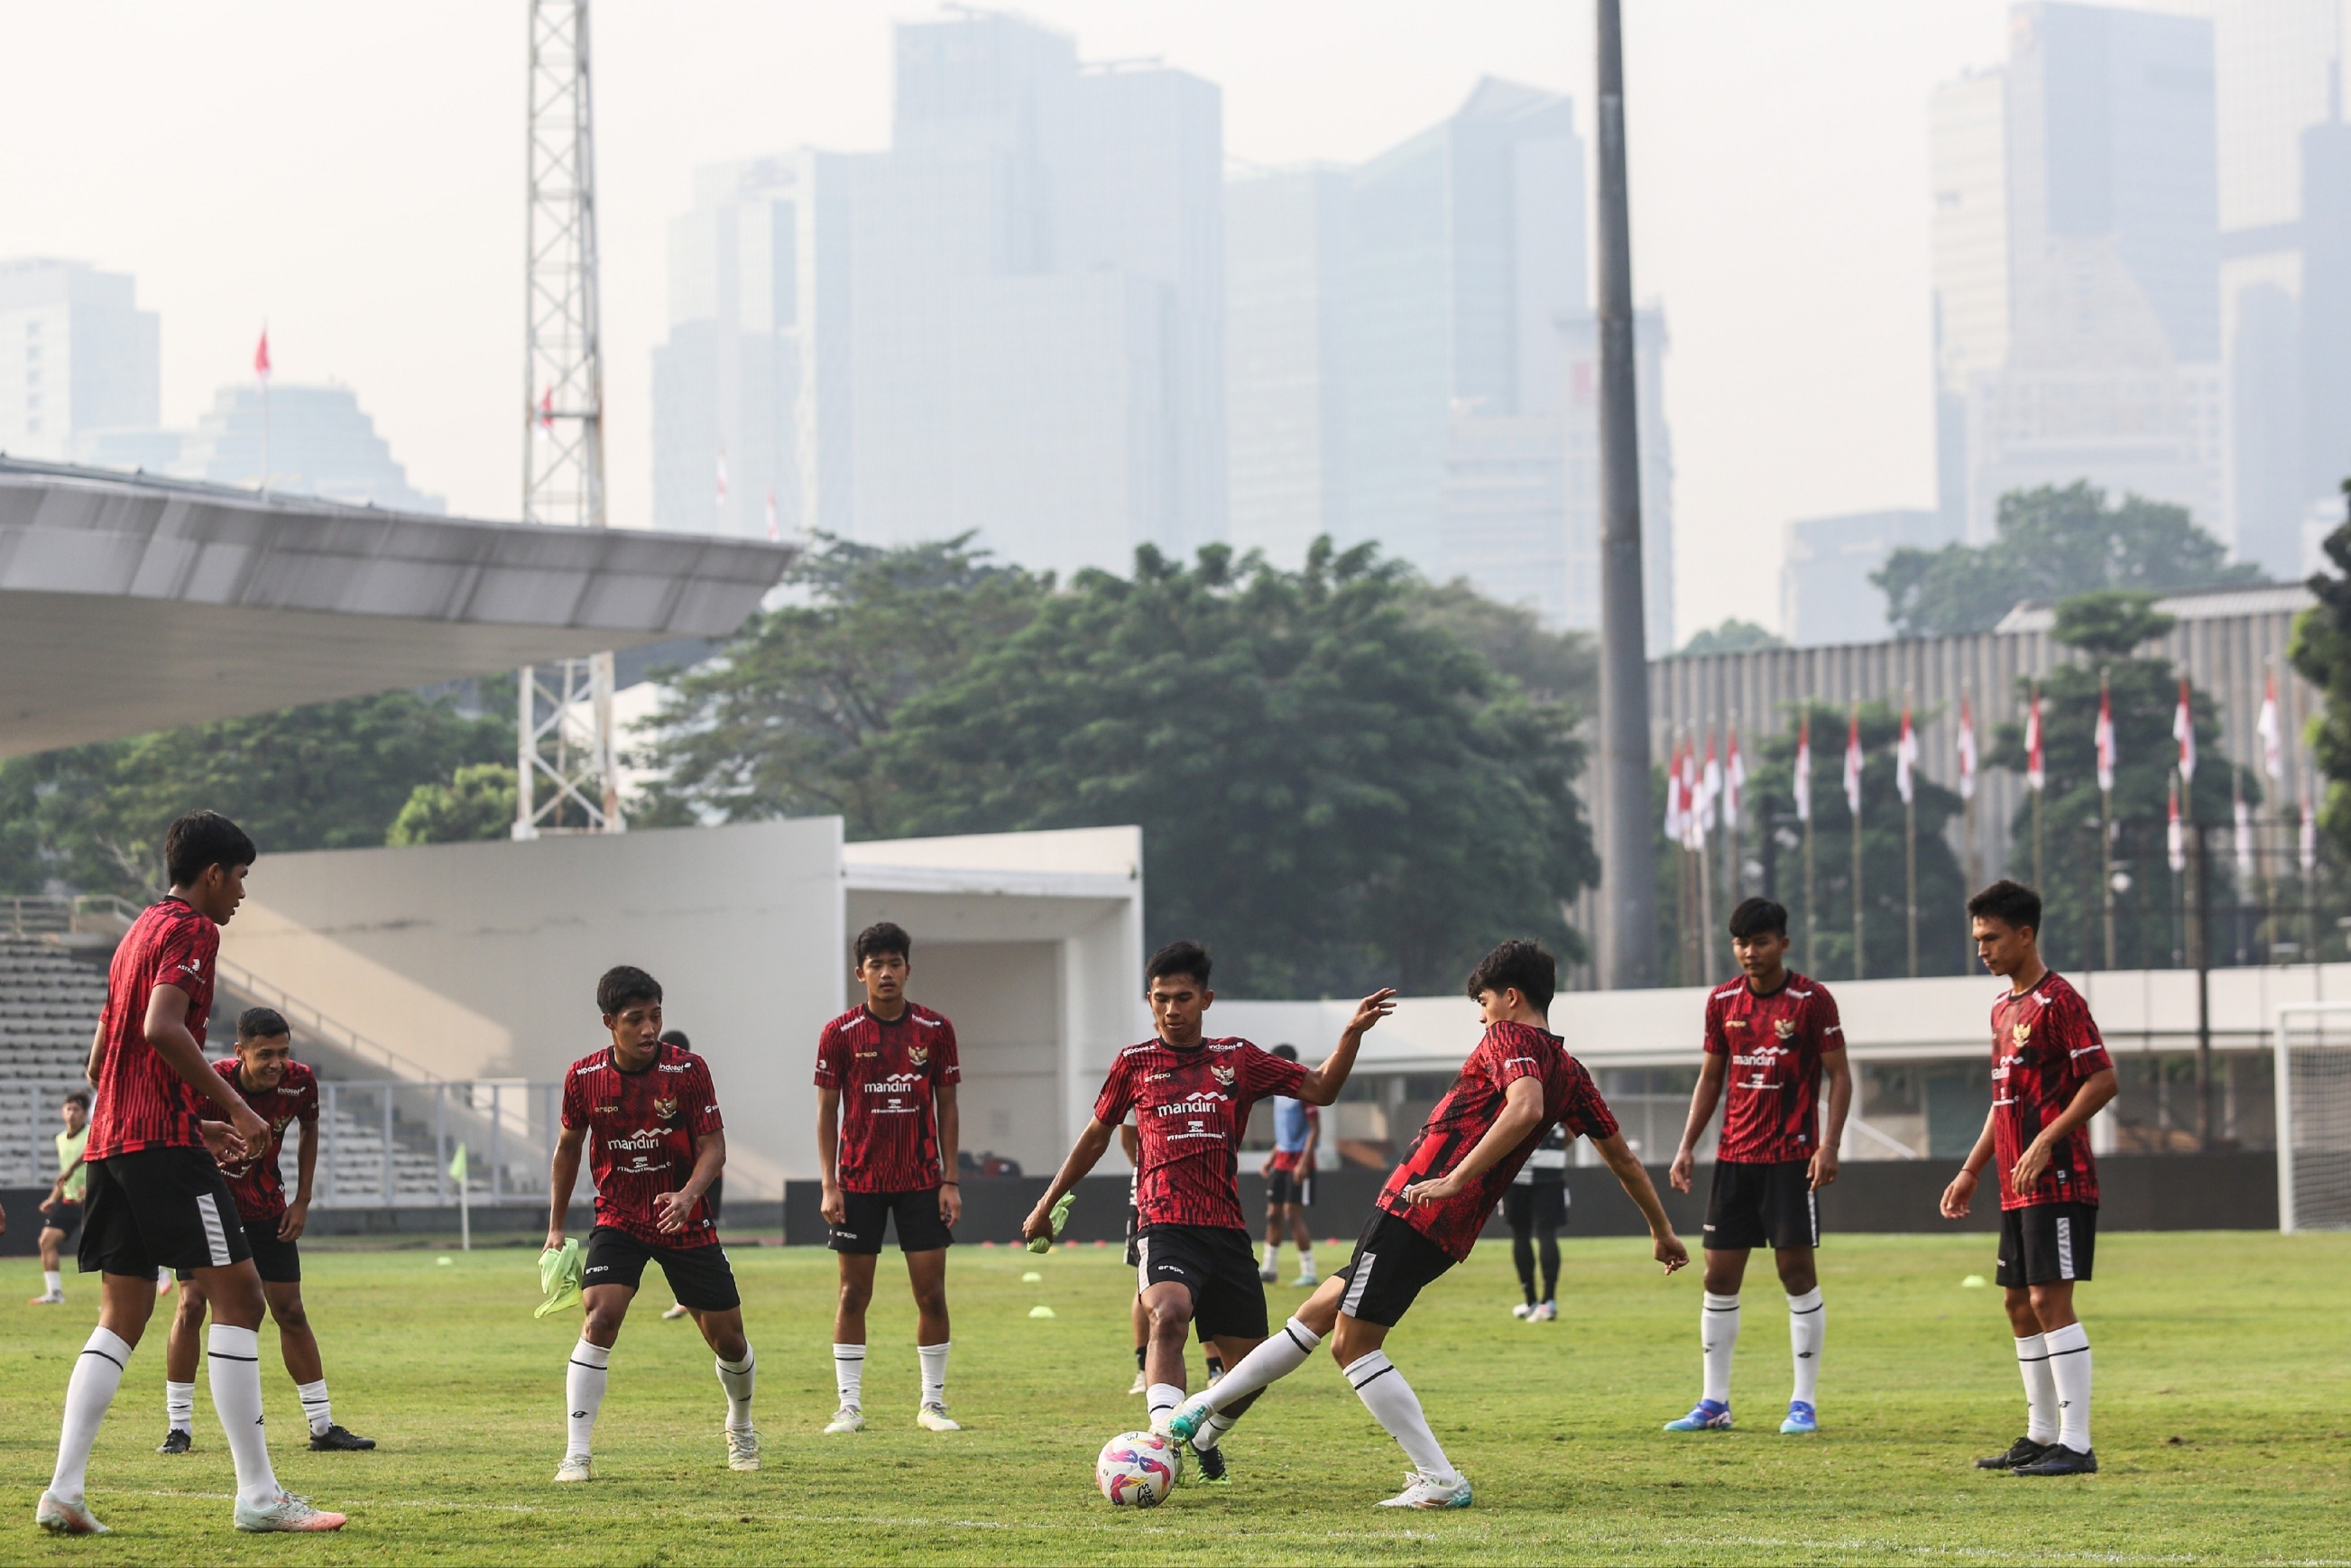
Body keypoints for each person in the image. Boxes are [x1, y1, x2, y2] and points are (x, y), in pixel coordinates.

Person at [1166, 939, 1689, 1509]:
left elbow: (1526, 1107)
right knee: (1316, 1313)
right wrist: (1661, 1229)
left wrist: (1453, 1178)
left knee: (1352, 1345)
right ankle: (1200, 1419)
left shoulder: (1509, 1038)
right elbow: (1624, 1158)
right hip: (1440, 1224)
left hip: (1417, 1208)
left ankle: (1439, 1477)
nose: (1482, 1017)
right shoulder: (1570, 1070)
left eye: (1484, 1003)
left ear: (1511, 998)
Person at [38, 810, 346, 1536]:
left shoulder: (135, 933)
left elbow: (101, 1062)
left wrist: (191, 1119)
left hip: (113, 1144)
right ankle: (259, 1496)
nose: (241, 893)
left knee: (121, 1315)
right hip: (158, 1148)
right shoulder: (194, 931)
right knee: (241, 1299)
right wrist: (234, 1108)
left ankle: (64, 1491)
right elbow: (160, 1028)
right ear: (212, 873)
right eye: (239, 878)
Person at [1023, 940, 1393, 1487]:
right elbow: (1096, 1137)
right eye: (1160, 998)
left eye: (1183, 998)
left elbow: (1322, 1089)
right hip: (1163, 1221)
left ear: (1206, 999)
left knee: (1250, 1374)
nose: (1171, 1009)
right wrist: (1047, 1202)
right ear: (1150, 1001)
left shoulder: (1236, 1058)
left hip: (1225, 1229)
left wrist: (1351, 1035)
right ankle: (1161, 1443)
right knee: (1168, 1313)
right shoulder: (1133, 1063)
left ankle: (1202, 1435)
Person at [546, 965, 755, 1481]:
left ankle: (741, 1424)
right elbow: (568, 1149)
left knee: (730, 1341)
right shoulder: (584, 1078)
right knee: (599, 1319)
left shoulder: (687, 1070)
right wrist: (555, 1228)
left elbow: (714, 1147)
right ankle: (576, 1453)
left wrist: (687, 1196)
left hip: (684, 1218)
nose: (648, 1029)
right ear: (609, 1022)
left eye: (655, 1016)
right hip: (619, 1216)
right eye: (635, 1019)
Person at [1941, 880, 2117, 1478]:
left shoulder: (2060, 1001)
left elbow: (2102, 1080)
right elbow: (2003, 1102)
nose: (1982, 950)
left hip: (2060, 1179)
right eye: (1977, 939)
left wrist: (2046, 1139)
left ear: (2025, 935)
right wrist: (1971, 1169)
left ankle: (2077, 1444)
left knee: (2048, 1300)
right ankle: (2041, 1435)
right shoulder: (2002, 1009)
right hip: (2016, 1185)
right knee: (2018, 1304)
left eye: (1991, 938)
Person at [1664, 896, 1852, 1436]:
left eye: (1761, 942)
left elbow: (1840, 1075)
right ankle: (1714, 1403)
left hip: (1792, 1160)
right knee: (1718, 1276)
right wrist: (1686, 1145)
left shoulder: (1812, 1000)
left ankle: (1803, 1403)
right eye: (1742, 943)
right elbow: (1711, 1079)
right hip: (1734, 1159)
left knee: (1797, 1274)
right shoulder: (1723, 1001)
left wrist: (1830, 1144)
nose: (1750, 952)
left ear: (1783, 944)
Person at [157, 1008, 373, 1455]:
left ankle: (322, 1427)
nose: (277, 1063)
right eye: (265, 1054)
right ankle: (179, 1428)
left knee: (290, 1310)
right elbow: (171, 1126)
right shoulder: (210, 1081)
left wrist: (302, 1199)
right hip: (208, 1207)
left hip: (266, 1209)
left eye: (283, 1052)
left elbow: (309, 1128)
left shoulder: (300, 1081)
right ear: (241, 1052)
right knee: (192, 1305)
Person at [816, 922, 963, 1434]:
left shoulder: (935, 1029)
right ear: (860, 973)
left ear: (907, 969)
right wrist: (829, 1184)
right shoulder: (839, 1034)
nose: (885, 973)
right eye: (875, 965)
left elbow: (948, 1105)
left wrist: (950, 1180)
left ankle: (933, 1404)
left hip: (922, 1180)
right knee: (853, 1294)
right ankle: (849, 1407)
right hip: (858, 1182)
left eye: (894, 964)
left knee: (932, 1294)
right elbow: (826, 1111)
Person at [656, 1028, 721, 1323]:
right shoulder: (689, 1078)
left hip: (693, 1176)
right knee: (688, 1235)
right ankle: (686, 1297)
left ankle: (691, 1296)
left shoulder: (682, 1082)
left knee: (693, 1235)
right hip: (706, 1175)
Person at [1257, 1046, 1319, 1287]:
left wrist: (1303, 1163)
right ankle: (1269, 1269)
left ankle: (1309, 1272)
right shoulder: (1278, 1093)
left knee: (1292, 1215)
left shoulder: (1304, 1090)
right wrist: (1271, 1159)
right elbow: (1285, 1133)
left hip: (1299, 1163)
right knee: (1272, 1215)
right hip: (1281, 1161)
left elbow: (1314, 1130)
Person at [30, 1092, 91, 1305]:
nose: (72, 1113)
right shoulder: (60, 1139)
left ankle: (117, 1299)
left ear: (85, 1113)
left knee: (106, 1249)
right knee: (46, 1241)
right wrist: (52, 1198)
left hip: (93, 1199)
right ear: (62, 1112)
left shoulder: (92, 1133)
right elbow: (64, 1173)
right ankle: (55, 1293)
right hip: (70, 1201)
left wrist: (91, 1186)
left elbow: (95, 1159)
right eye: (68, 1109)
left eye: (76, 1109)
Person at [1504, 1124, 1570, 1320]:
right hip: (1551, 1168)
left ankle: (1532, 1301)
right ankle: (1548, 1302)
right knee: (1547, 1233)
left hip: (1518, 1167)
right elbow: (1570, 1133)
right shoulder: (1563, 1101)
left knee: (1520, 1233)